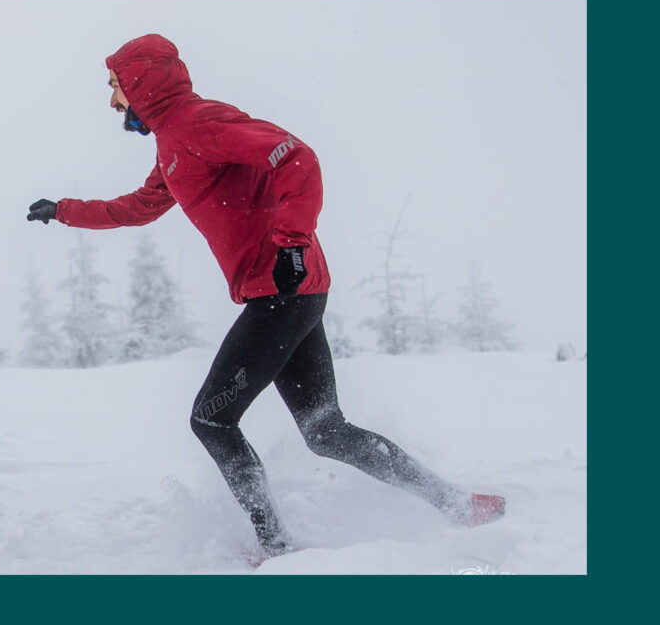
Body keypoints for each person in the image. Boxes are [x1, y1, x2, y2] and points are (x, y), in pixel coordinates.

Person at [25, 35, 504, 560]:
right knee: (325, 430)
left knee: (211, 419)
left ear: (141, 84)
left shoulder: (200, 124)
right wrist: (65, 210)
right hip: (290, 293)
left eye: (116, 87)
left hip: (282, 290)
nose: (113, 101)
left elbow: (295, 157)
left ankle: (275, 547)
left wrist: (292, 243)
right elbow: (141, 206)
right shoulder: (174, 144)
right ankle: (459, 505)